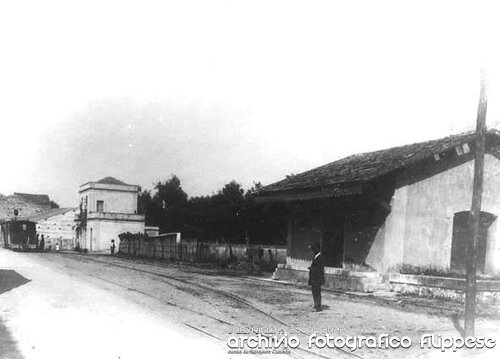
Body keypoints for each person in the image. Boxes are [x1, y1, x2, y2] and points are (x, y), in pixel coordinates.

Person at [308, 243, 325, 312]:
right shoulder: (316, 256)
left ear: (317, 249)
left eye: (314, 249)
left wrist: (312, 268)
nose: (313, 250)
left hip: (317, 278)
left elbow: (319, 269)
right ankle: (316, 305)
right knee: (314, 291)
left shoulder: (320, 257)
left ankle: (318, 307)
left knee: (317, 292)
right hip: (314, 278)